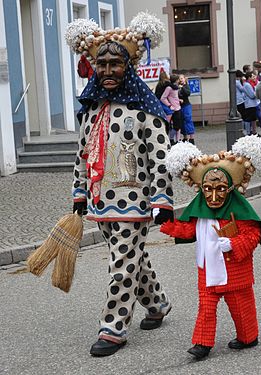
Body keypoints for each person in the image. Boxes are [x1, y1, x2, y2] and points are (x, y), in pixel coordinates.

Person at [66, 14, 174, 357]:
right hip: (101, 201)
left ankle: (113, 328)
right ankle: (157, 303)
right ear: (92, 66)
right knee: (132, 260)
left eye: (116, 63)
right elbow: (83, 154)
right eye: (102, 63)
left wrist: (162, 199)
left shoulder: (146, 111)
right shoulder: (92, 108)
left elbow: (160, 158)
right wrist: (79, 191)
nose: (108, 70)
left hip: (136, 203)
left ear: (129, 66)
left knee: (121, 264)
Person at [160, 137, 261, 360]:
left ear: (230, 189)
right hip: (208, 270)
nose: (213, 196)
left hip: (235, 270)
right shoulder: (200, 211)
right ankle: (202, 344)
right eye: (208, 189)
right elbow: (189, 231)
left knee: (241, 307)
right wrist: (167, 224)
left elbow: (253, 235)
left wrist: (233, 243)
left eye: (220, 188)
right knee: (206, 308)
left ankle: (248, 337)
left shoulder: (239, 212)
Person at [160, 74, 182, 144]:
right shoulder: (169, 88)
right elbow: (163, 98)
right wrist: (169, 105)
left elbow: (174, 97)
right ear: (176, 80)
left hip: (178, 108)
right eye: (178, 79)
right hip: (173, 109)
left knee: (178, 126)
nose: (179, 80)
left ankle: (178, 141)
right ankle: (171, 139)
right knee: (176, 127)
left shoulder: (176, 87)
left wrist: (179, 100)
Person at [178, 74, 195, 144]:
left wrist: (182, 87)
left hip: (186, 106)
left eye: (182, 78)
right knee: (182, 122)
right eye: (179, 78)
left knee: (188, 120)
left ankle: (192, 138)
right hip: (180, 107)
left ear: (185, 79)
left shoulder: (186, 86)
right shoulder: (177, 87)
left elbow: (188, 93)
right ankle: (185, 137)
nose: (180, 79)